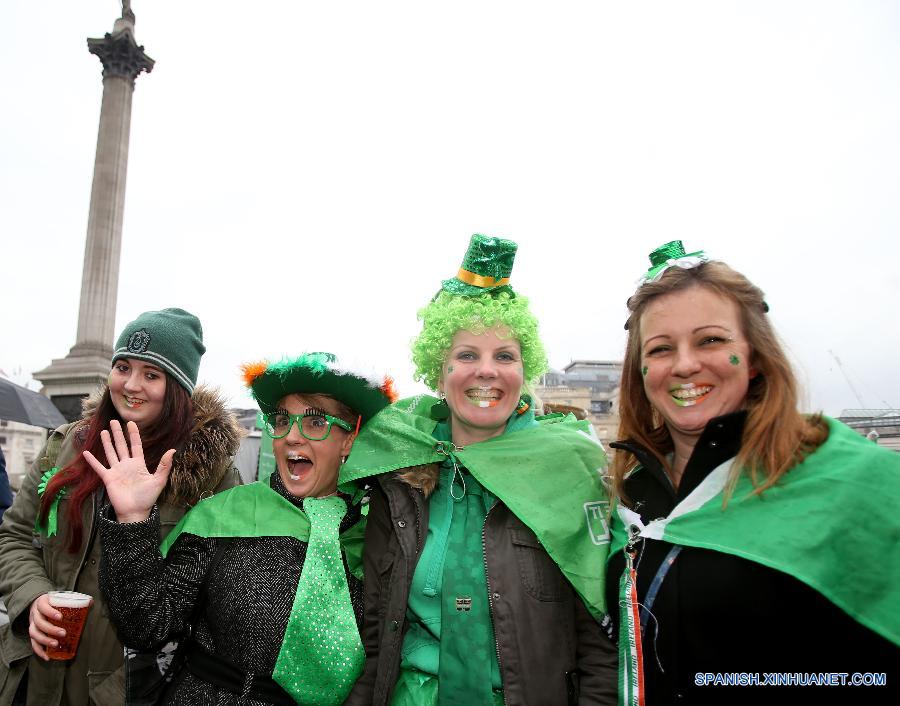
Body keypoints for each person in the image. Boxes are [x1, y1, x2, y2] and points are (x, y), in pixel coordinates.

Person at [607, 242, 900, 706]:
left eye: (711, 340)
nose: (684, 365)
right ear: (641, 371)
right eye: (662, 348)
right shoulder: (629, 496)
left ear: (756, 356)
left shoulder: (856, 484)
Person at [341, 234, 617, 706]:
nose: (486, 372)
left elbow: (600, 641)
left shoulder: (569, 469)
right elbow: (375, 631)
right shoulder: (402, 475)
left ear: (522, 369)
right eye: (467, 355)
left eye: (504, 356)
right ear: (440, 371)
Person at [93, 352, 397, 705]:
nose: (292, 437)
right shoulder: (224, 515)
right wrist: (132, 520)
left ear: (348, 440)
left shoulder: (378, 534)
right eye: (283, 420)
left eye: (315, 423)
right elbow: (146, 625)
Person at [0, 308, 242, 706]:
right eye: (123, 367)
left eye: (152, 374)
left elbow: (207, 601)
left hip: (125, 689)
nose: (131, 385)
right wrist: (33, 598)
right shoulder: (67, 446)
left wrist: (136, 522)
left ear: (178, 387)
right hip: (32, 676)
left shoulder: (210, 478)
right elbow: (15, 535)